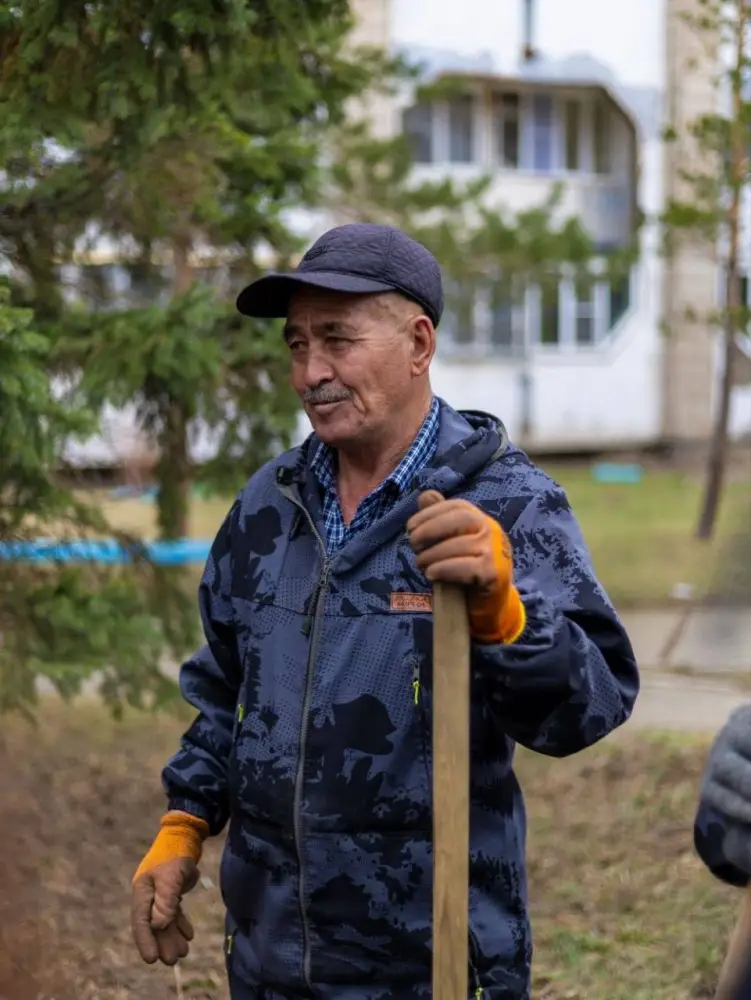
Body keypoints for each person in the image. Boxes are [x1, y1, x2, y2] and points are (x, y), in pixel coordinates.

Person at [130, 223, 640, 1000]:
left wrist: (506, 617)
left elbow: (589, 708)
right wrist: (184, 823)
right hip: (269, 961)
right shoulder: (270, 504)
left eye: (336, 338)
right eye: (297, 344)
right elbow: (228, 692)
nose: (311, 372)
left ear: (418, 343)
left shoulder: (506, 503)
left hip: (428, 962)